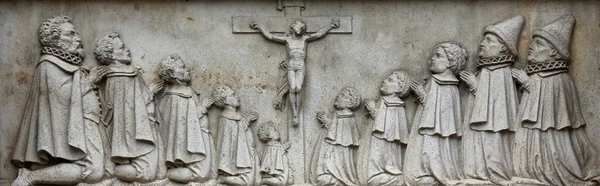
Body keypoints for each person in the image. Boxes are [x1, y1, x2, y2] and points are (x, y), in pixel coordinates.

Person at [11, 15, 107, 186]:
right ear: (55, 40)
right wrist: (88, 81)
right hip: (78, 126)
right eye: (70, 35)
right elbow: (60, 99)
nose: (78, 39)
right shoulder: (49, 63)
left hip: (89, 124)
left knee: (105, 169)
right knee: (93, 170)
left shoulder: (66, 63)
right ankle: (30, 177)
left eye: (76, 33)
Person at [511, 14, 600, 185]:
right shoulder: (537, 73)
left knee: (553, 148)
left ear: (553, 51)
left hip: (552, 135)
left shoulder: (558, 77)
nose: (531, 47)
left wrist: (528, 84)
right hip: (534, 134)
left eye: (539, 44)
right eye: (532, 43)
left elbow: (553, 113)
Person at [459, 15, 524, 185]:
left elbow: (497, 107)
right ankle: (479, 173)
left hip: (495, 125)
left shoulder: (501, 72)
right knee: (479, 143)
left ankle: (496, 174)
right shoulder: (485, 70)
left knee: (493, 144)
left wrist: (474, 86)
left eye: (489, 41)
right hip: (481, 124)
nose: (482, 44)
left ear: (503, 48)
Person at [94, 32, 165, 183]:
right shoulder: (120, 75)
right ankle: (114, 174)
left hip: (144, 127)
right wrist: (150, 92)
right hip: (134, 134)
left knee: (159, 173)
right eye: (122, 47)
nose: (127, 50)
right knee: (148, 175)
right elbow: (129, 107)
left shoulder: (125, 72)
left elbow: (132, 102)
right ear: (111, 55)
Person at [250, 19, 340, 126]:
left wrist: (331, 25)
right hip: (292, 65)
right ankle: (295, 114)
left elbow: (319, 34)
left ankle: (297, 112)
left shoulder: (305, 39)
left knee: (299, 88)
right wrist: (258, 27)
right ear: (293, 27)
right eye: (299, 26)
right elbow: (270, 36)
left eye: (302, 27)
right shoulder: (287, 40)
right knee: (292, 88)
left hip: (301, 65)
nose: (301, 28)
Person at [405, 42, 467, 185]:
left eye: (438, 56)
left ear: (450, 63)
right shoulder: (435, 80)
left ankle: (434, 173)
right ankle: (426, 173)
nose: (432, 59)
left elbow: (441, 112)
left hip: (437, 131)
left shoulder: (448, 85)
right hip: (429, 127)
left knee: (432, 151)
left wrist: (422, 95)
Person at [153, 54, 215, 183]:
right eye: (182, 67)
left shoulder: (185, 91)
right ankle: (174, 174)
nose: (187, 69)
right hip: (186, 151)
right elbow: (184, 122)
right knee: (201, 174)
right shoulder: (175, 96)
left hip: (199, 138)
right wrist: (203, 108)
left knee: (205, 173)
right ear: (174, 74)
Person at [363, 72, 411, 186]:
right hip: (376, 140)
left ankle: (389, 176)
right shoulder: (383, 100)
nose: (384, 81)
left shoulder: (396, 105)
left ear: (399, 88)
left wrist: (373, 110)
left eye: (390, 80)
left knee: (383, 165)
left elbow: (388, 127)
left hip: (386, 142)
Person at [313, 87, 361, 186]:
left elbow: (342, 141)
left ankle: (338, 179)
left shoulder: (348, 118)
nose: (338, 96)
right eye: (340, 94)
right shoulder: (337, 115)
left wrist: (327, 121)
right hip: (329, 158)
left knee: (325, 180)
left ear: (350, 103)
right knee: (321, 179)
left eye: (343, 96)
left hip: (339, 165)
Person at [212, 85, 259, 186]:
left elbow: (239, 130)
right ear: (226, 101)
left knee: (252, 180)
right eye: (233, 95)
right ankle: (223, 179)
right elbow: (230, 141)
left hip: (244, 156)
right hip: (237, 161)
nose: (237, 97)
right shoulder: (227, 117)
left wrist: (247, 120)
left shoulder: (235, 115)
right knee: (247, 182)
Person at [257, 121, 291, 186]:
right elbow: (272, 158)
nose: (277, 132)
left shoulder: (274, 145)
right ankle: (263, 180)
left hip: (281, 169)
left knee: (289, 180)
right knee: (282, 182)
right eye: (275, 130)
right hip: (275, 172)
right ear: (268, 135)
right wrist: (283, 148)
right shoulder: (271, 146)